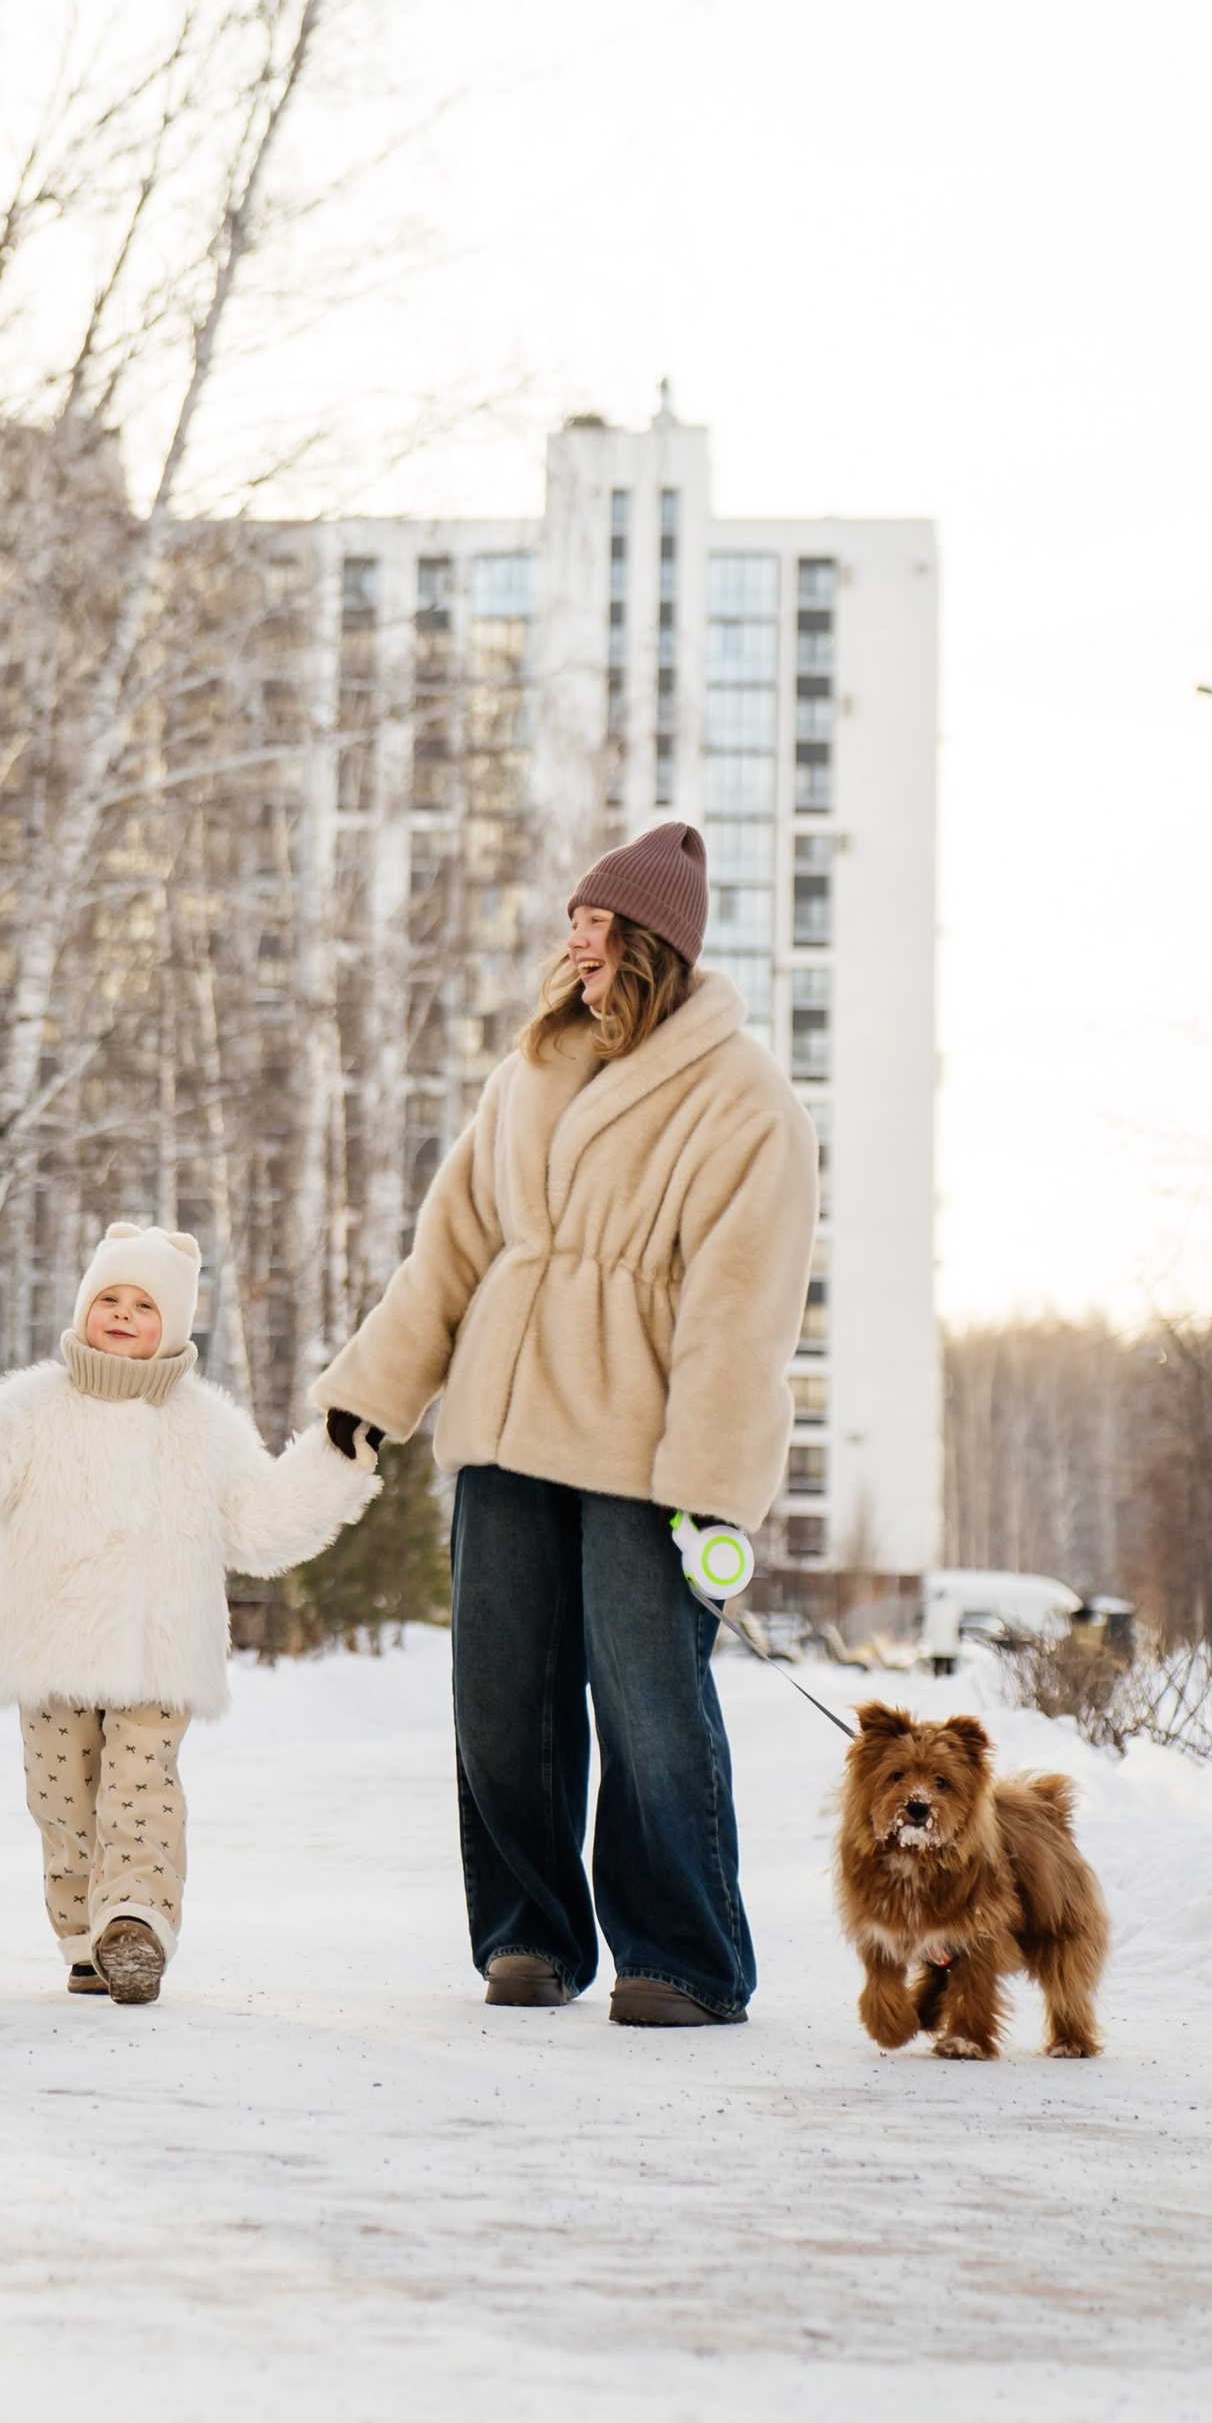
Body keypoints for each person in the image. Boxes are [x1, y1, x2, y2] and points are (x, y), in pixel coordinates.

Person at [315, 821, 818, 2028]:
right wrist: (368, 1391)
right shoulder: (531, 1068)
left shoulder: (744, 1096)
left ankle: (685, 1956)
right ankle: (528, 1933)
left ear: (649, 938)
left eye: (595, 920)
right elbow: (453, 1247)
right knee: (499, 1699)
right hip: (499, 1423)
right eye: (575, 920)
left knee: (649, 1702)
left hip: (643, 1450)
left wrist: (709, 1481)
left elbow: (737, 1310)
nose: (573, 938)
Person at [0, 1220, 378, 2005]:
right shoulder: (33, 1406)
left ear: (174, 1324)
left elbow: (265, 1523)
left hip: (159, 1657)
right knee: (61, 1801)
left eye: (144, 1303)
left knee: (141, 1791)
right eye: (109, 1297)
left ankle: (135, 1923)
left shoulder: (207, 1424)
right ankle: (81, 1935)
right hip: (50, 1652)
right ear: (82, 1307)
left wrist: (333, 1462)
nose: (124, 1313)